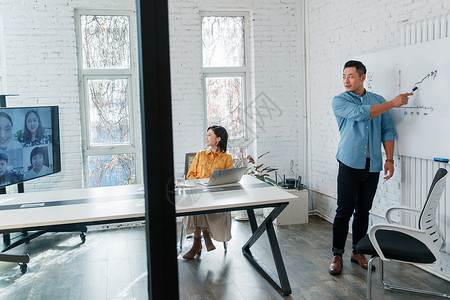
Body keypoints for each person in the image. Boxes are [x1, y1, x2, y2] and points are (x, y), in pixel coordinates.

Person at [328, 60, 413, 275]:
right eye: (344, 76)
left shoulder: (378, 100)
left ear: (363, 77)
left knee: (363, 210)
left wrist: (390, 160)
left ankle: (357, 252)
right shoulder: (340, 100)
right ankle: (337, 254)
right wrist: (393, 103)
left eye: (351, 76)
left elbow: (387, 131)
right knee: (344, 210)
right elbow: (361, 113)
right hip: (348, 162)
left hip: (372, 164)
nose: (346, 80)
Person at [182, 125, 233, 259]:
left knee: (199, 205)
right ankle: (202, 237)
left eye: (209, 134)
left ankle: (197, 243)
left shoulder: (227, 158)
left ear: (218, 139)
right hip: (201, 193)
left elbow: (229, 179)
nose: (206, 137)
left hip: (217, 196)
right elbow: (190, 175)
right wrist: (200, 184)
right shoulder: (200, 155)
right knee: (198, 203)